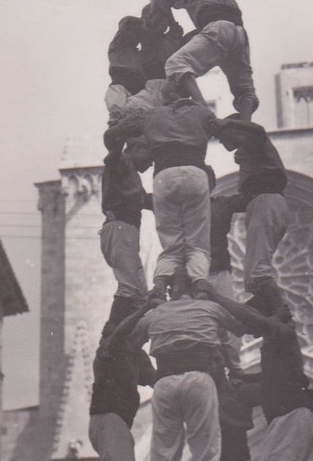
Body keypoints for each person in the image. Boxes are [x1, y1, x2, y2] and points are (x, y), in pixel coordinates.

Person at [131, 272, 292, 461]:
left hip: (165, 381)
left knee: (164, 450)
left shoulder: (156, 315)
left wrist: (150, 374)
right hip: (202, 387)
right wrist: (273, 325)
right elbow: (243, 325)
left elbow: (128, 343)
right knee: (205, 451)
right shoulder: (208, 310)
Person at [201, 283, 313, 461]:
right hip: (296, 414)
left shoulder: (281, 332)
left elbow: (248, 320)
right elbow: (271, 381)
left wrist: (215, 295)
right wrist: (242, 376)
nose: (248, 332)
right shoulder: (279, 342)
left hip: (291, 415)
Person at [104, 95, 221, 296]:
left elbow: (112, 134)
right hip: (194, 172)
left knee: (169, 249)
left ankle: (158, 287)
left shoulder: (152, 117)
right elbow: (225, 128)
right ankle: (200, 281)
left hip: (162, 179)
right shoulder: (200, 112)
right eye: (148, 154)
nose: (149, 161)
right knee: (197, 245)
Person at [88, 305, 157, 461]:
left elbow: (156, 379)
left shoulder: (132, 353)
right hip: (109, 420)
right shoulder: (110, 347)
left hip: (114, 424)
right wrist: (147, 307)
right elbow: (118, 335)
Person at [149, 0, 258, 119]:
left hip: (218, 29)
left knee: (176, 64)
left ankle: (205, 113)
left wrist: (172, 23)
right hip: (239, 34)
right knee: (245, 90)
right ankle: (246, 126)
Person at [217, 116, 288, 304]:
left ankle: (282, 316)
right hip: (264, 204)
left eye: (221, 137)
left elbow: (257, 130)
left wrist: (224, 123)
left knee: (258, 273)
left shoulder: (255, 142)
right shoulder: (251, 151)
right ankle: (267, 316)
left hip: (266, 203)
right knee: (253, 278)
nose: (220, 141)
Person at [99, 138, 154, 318]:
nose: (151, 163)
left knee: (139, 293)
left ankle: (124, 337)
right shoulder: (123, 162)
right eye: (150, 157)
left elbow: (147, 201)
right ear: (137, 148)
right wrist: (127, 128)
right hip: (120, 229)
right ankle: (110, 333)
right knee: (130, 289)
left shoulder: (132, 176)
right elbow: (113, 153)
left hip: (124, 231)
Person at [206, 165, 246, 374]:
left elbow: (249, 198)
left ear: (212, 185)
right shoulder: (181, 209)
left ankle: (235, 368)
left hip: (218, 271)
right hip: (191, 275)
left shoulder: (223, 204)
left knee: (229, 320)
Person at [105, 16, 145, 121]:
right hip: (121, 81)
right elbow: (126, 24)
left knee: (134, 113)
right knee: (117, 108)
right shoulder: (119, 44)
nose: (137, 37)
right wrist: (145, 22)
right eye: (135, 32)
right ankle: (115, 121)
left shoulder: (136, 53)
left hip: (136, 86)